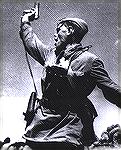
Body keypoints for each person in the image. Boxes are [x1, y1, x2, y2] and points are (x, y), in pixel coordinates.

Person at [17, 7, 121, 150]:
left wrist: (69, 74)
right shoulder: (50, 54)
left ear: (71, 31)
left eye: (58, 30)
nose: (54, 35)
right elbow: (31, 43)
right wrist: (25, 21)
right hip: (40, 125)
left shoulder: (90, 61)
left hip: (68, 126)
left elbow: (112, 90)